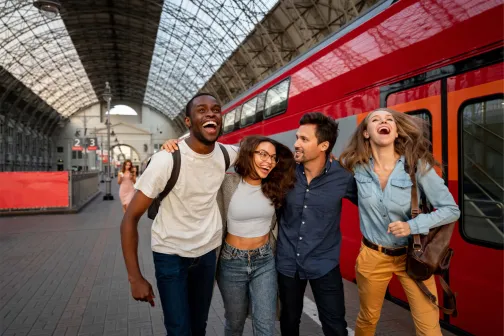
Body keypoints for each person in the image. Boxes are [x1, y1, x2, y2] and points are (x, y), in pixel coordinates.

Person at [120, 93, 238, 336]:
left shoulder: (227, 154)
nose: (210, 113)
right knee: (178, 329)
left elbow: (264, 152)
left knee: (199, 327)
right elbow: (129, 219)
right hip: (170, 255)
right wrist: (135, 278)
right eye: (201, 110)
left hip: (207, 254)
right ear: (187, 121)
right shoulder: (166, 160)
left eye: (215, 109)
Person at [339, 108, 460, 336]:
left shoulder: (418, 166)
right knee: (367, 319)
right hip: (373, 255)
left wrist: (412, 226)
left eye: (389, 120)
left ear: (396, 132)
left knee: (429, 328)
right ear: (366, 133)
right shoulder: (357, 169)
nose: (383, 121)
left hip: (413, 256)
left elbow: (451, 210)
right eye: (376, 119)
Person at [216, 135, 295, 336]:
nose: (268, 161)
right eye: (263, 154)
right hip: (231, 261)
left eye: (273, 157)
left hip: (265, 260)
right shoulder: (227, 183)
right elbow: (199, 163)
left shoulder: (274, 187)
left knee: (265, 325)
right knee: (235, 322)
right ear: (248, 154)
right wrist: (175, 146)